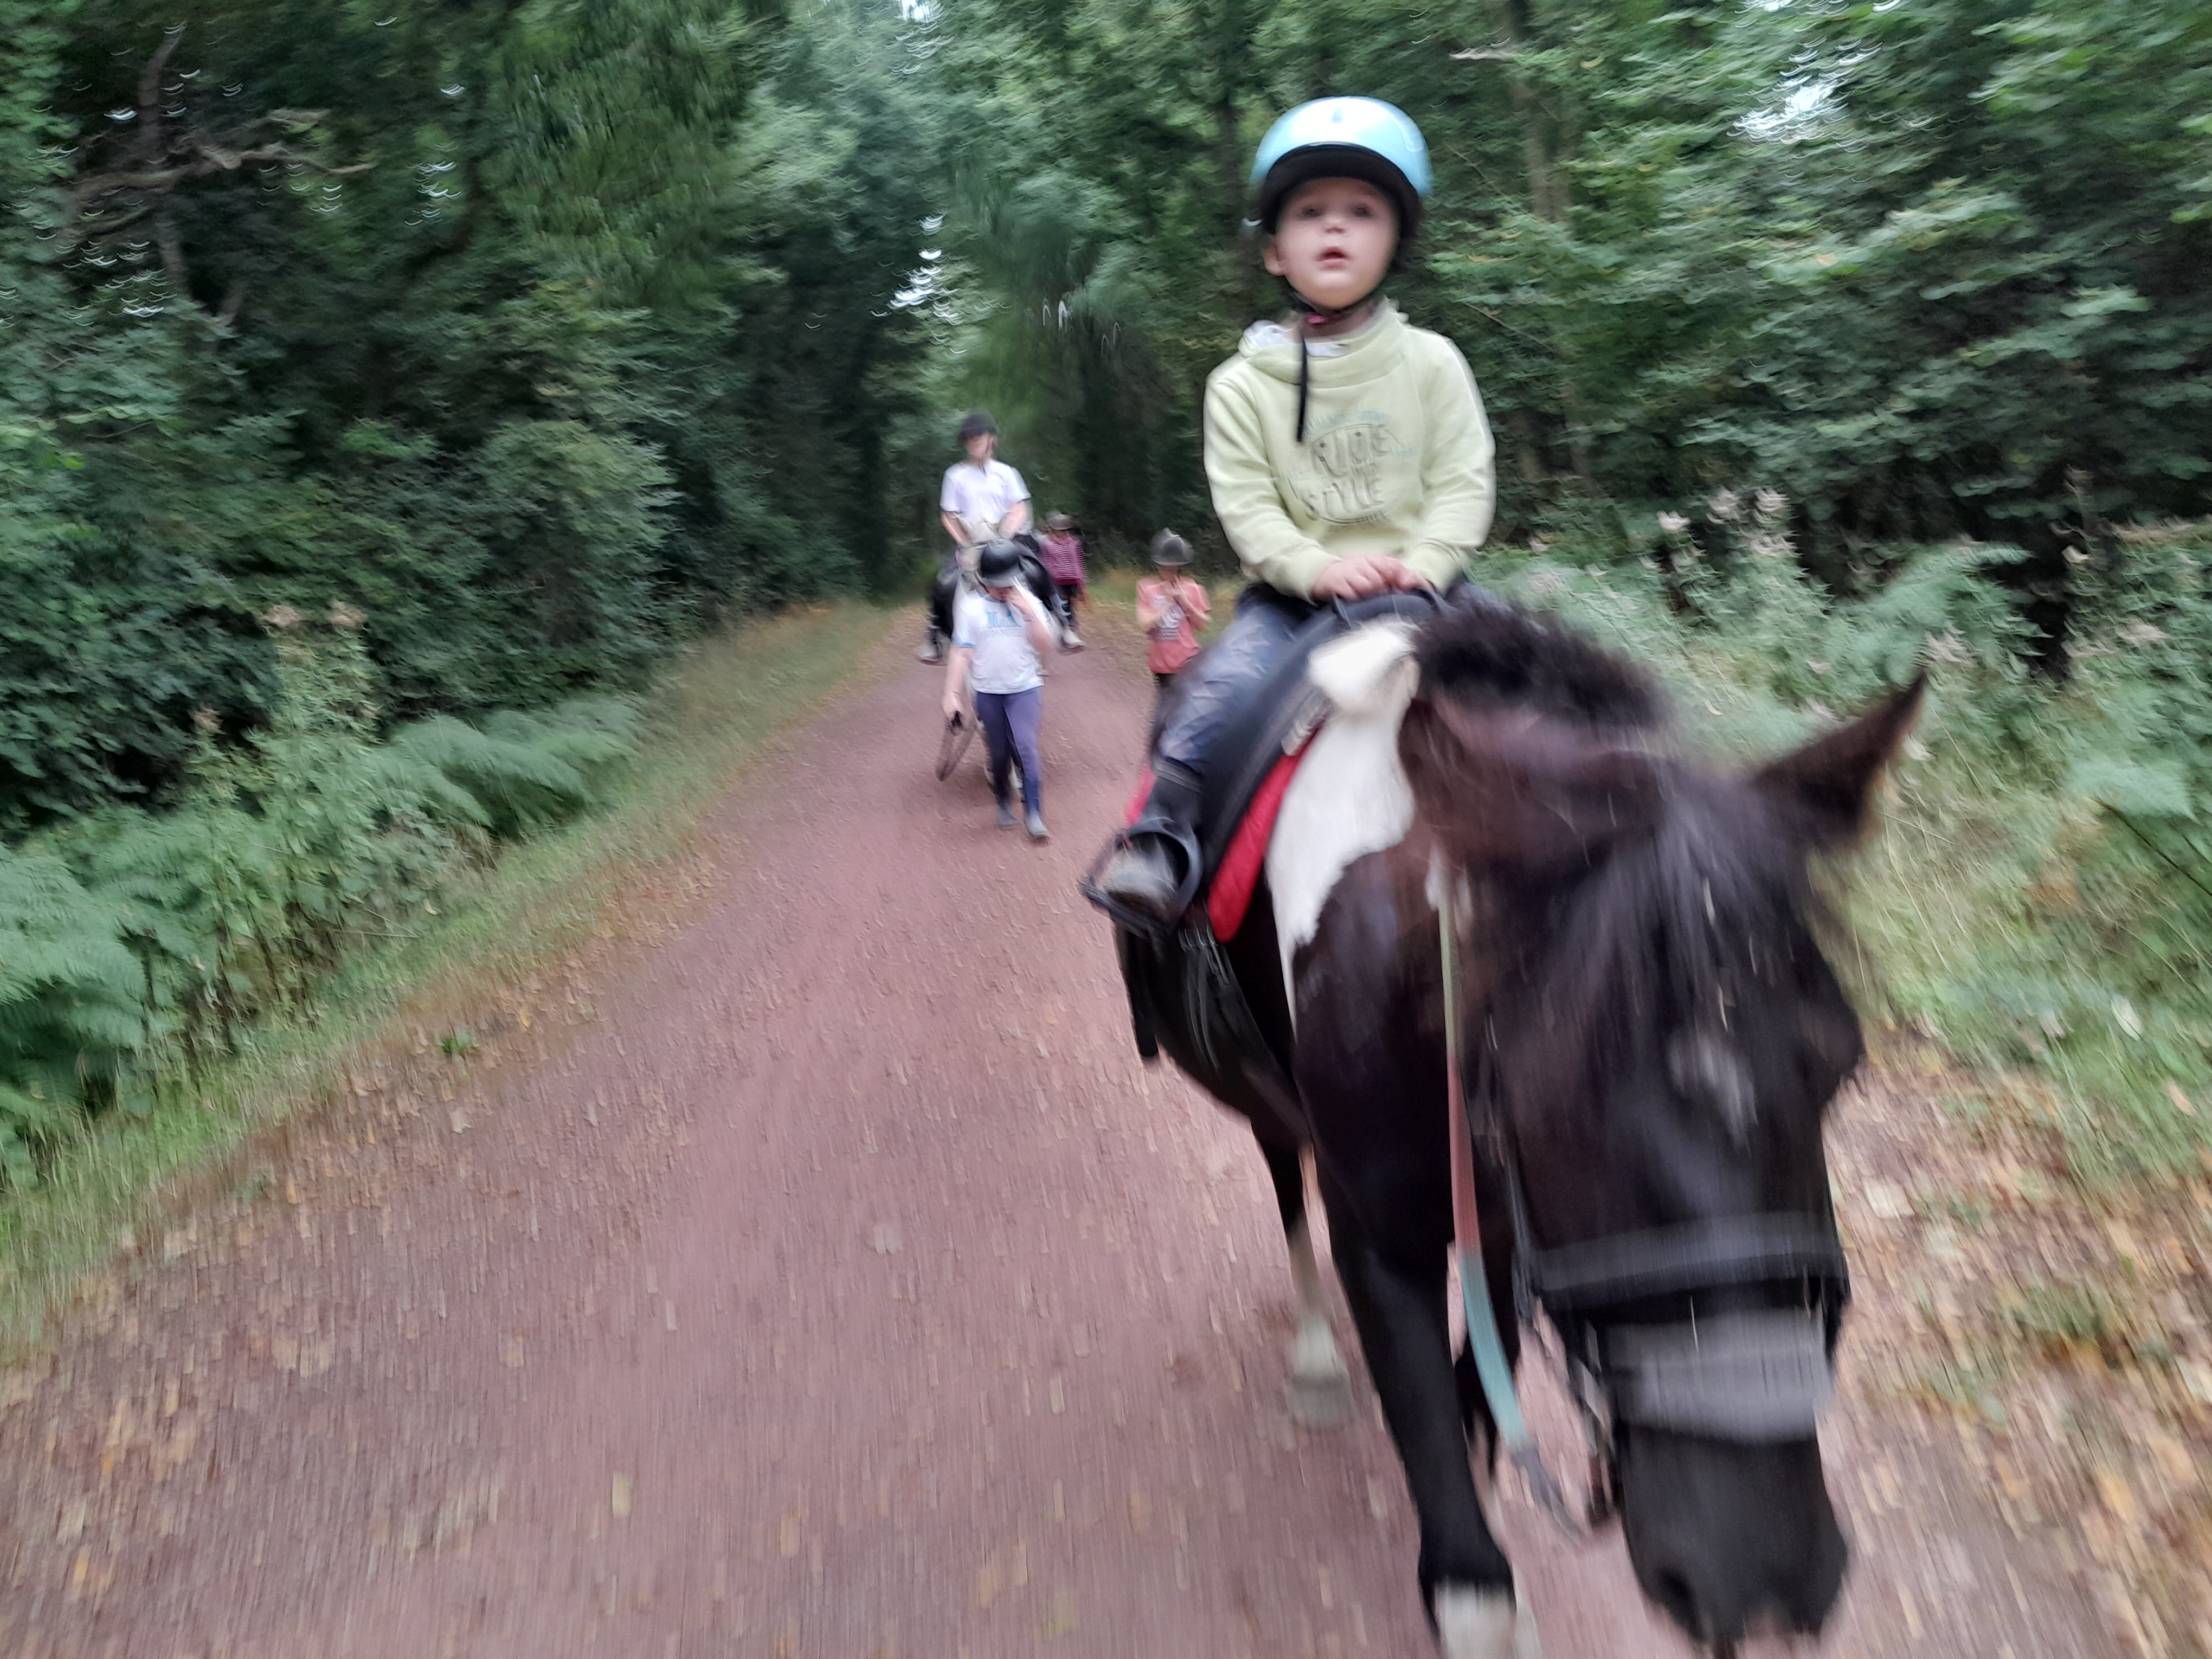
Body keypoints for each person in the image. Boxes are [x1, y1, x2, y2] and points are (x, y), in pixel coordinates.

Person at [1091, 95, 1496, 933]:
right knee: (1212, 700)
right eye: (1311, 213)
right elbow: (1249, 510)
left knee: (1567, 690)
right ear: (1276, 251)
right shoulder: (1238, 387)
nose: (1335, 228)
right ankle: (1161, 841)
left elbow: (1464, 480)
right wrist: (1318, 569)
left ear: (1396, 240)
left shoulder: (1434, 363)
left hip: (1431, 586)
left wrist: (1427, 561)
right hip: (1297, 601)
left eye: (1362, 210)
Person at [944, 540, 1054, 840]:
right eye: (996, 584)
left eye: (1007, 583)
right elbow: (961, 652)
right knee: (999, 751)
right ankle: (1004, 802)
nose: (1003, 589)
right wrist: (952, 693)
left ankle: (1034, 813)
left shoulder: (1029, 602)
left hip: (1025, 688)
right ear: (983, 581)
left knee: (1027, 747)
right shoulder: (972, 608)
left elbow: (1045, 646)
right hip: (988, 691)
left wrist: (1028, 613)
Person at [921, 411, 1032, 663]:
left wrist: (1006, 536)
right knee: (944, 582)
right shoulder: (955, 475)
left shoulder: (1007, 473)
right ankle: (934, 634)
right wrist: (964, 541)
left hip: (1004, 539)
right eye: (969, 438)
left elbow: (1018, 508)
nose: (974, 441)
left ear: (991, 438)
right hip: (971, 541)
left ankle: (1061, 620)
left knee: (1037, 571)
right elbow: (948, 515)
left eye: (979, 436)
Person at [1137, 531, 1211, 697]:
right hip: (1160, 665)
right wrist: (1168, 603)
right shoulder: (1147, 590)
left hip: (1187, 661)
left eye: (1171, 568)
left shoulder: (1194, 588)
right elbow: (1144, 625)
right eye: (1163, 567)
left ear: (1180, 567)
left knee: (1185, 709)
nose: (1167, 571)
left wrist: (1183, 600)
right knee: (1166, 712)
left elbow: (1202, 624)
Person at [1036, 512, 1088, 648]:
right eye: (1059, 531)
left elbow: (1079, 562)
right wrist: (1045, 580)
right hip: (1056, 580)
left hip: (1072, 580)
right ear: (1053, 531)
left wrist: (1082, 581)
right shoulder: (1047, 544)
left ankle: (1069, 631)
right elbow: (1045, 562)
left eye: (1065, 531)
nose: (1062, 534)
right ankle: (1065, 633)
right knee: (1060, 606)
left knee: (1070, 607)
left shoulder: (1074, 544)